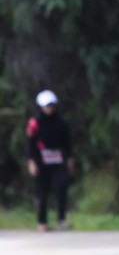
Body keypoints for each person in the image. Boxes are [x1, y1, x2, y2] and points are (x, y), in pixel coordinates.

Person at [26, 90, 74, 232]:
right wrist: (31, 162)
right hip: (40, 161)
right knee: (41, 192)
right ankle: (42, 221)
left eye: (52, 105)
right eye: (47, 105)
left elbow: (67, 144)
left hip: (58, 161)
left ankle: (61, 218)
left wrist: (70, 160)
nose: (50, 108)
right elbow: (30, 144)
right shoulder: (34, 123)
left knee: (61, 187)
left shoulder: (61, 123)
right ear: (41, 106)